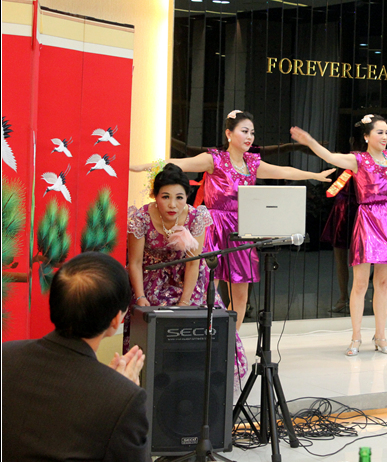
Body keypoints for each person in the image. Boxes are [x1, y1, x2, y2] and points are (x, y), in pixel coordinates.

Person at [131, 110, 334, 334]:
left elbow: (283, 171)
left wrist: (314, 176)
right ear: (229, 134)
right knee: (208, 287)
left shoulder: (252, 163)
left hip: (241, 229)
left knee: (240, 294)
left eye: (252, 133)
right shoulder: (215, 159)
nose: (250, 137)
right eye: (244, 131)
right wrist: (145, 166)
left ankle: (230, 340)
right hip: (213, 226)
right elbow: (180, 163)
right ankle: (203, 335)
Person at [291, 115, 387, 356]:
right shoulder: (357, 160)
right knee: (360, 284)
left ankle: (380, 336)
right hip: (368, 221)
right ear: (366, 136)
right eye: (380, 132)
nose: (385, 136)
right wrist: (309, 141)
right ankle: (356, 337)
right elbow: (329, 157)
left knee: (383, 284)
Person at [1, 252, 150, 462]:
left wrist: (111, 388)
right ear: (116, 319)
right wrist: (118, 393)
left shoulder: (5, 356)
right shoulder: (123, 399)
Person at [124, 163, 248, 396]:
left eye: (179, 197)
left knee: (203, 324)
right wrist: (140, 297)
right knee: (153, 333)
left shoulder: (196, 217)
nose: (173, 204)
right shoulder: (140, 218)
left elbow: (193, 263)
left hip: (188, 280)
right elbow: (135, 262)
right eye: (165, 197)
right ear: (155, 196)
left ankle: (196, 389)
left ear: (186, 197)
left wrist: (185, 302)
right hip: (151, 279)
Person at [320, 133, 362, 314]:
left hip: (345, 210)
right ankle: (354, 298)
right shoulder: (371, 161)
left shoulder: (348, 161)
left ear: (352, 140)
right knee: (360, 259)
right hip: (361, 210)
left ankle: (344, 298)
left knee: (342, 258)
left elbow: (333, 189)